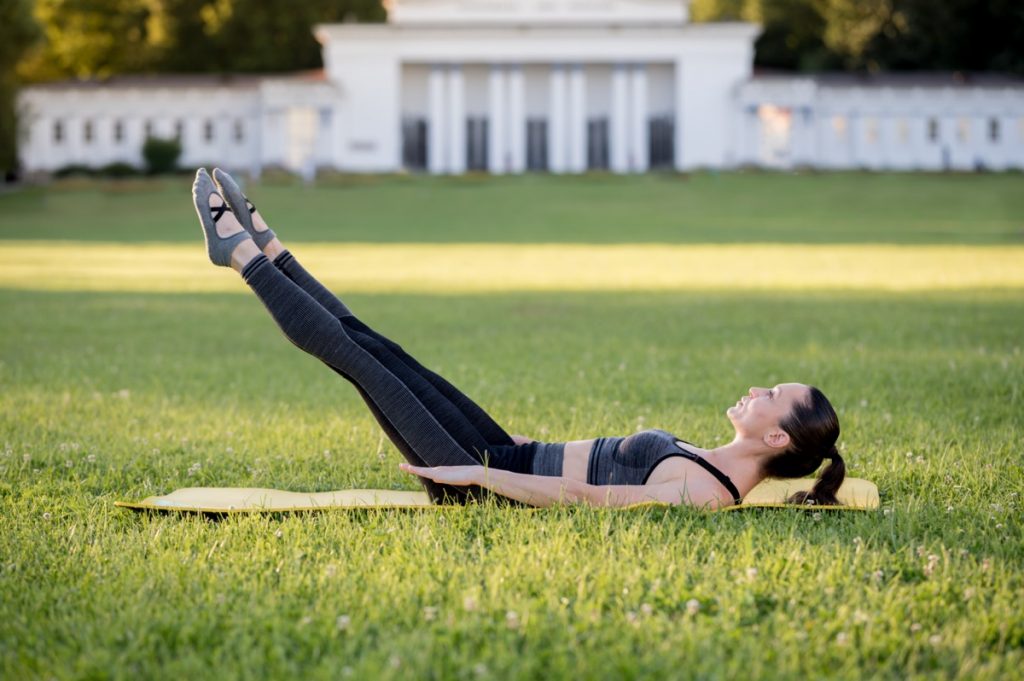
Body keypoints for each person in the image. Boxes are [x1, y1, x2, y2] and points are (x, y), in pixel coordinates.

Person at [191, 168, 846, 510]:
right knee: (380, 346)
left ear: (778, 437)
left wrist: (471, 473)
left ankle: (241, 254)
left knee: (357, 359)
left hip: (482, 484)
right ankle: (273, 248)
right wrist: (523, 448)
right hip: (505, 454)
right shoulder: (711, 463)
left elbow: (588, 497)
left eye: (773, 394)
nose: (758, 388)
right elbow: (598, 462)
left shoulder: (705, 492)